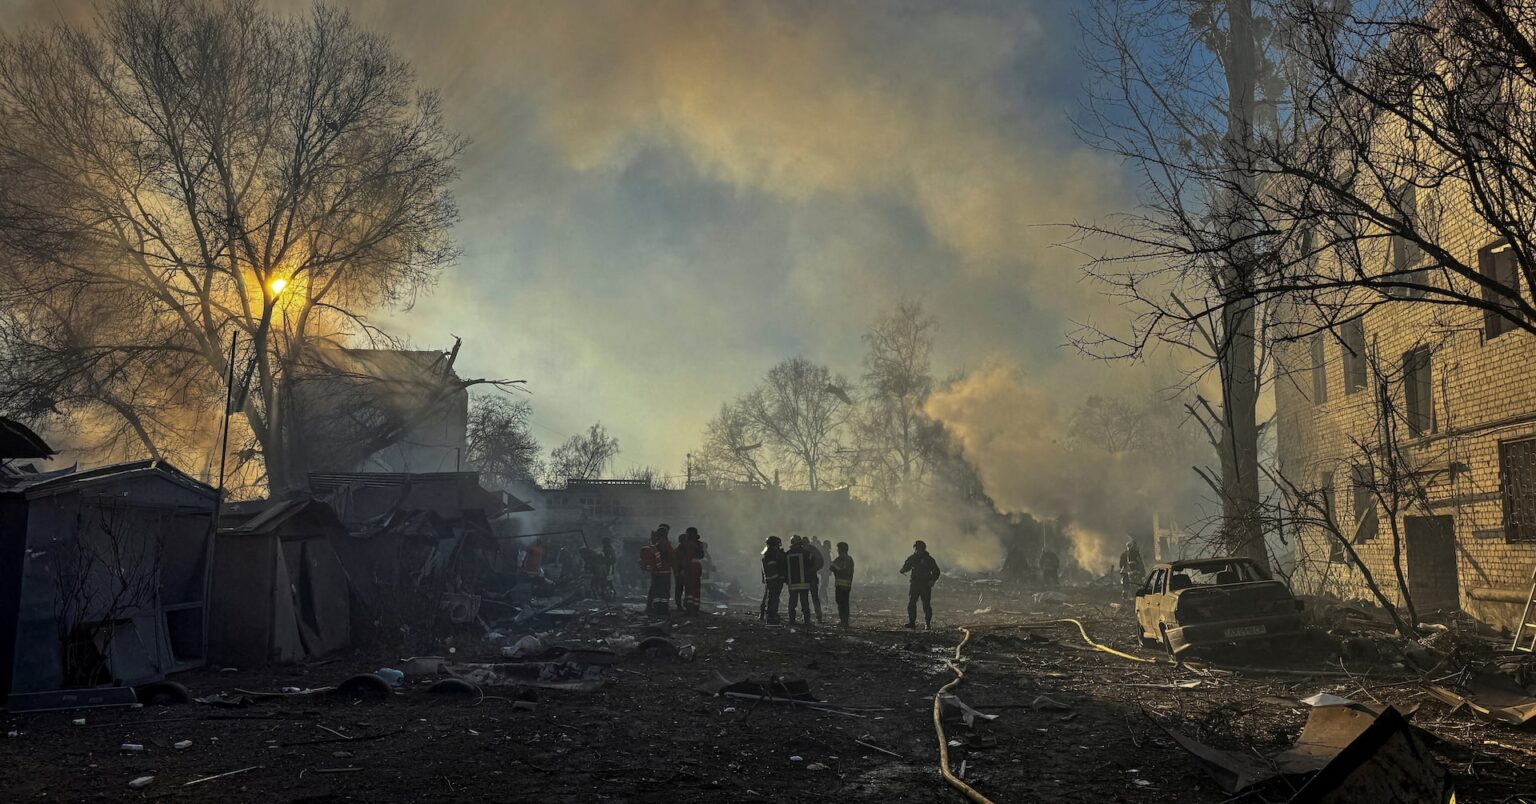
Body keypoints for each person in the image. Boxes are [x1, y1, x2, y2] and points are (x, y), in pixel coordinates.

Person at [899, 540, 941, 630]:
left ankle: (927, 624)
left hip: (925, 585)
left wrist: (932, 580)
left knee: (926, 604)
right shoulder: (913, 558)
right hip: (915, 584)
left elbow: (936, 571)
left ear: (923, 549)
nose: (917, 550)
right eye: (917, 549)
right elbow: (907, 567)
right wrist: (903, 569)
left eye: (919, 549)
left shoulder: (929, 559)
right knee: (912, 603)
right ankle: (912, 623)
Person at [640, 524, 674, 616]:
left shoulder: (655, 543)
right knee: (664, 591)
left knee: (656, 591)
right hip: (665, 572)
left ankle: (655, 608)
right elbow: (670, 557)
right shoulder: (665, 544)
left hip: (655, 572)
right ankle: (663, 609)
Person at [785, 535, 813, 627]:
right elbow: (810, 565)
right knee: (804, 602)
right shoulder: (806, 553)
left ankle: (792, 620)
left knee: (792, 602)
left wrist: (786, 580)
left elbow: (784, 569)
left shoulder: (787, 554)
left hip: (792, 583)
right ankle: (807, 621)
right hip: (804, 583)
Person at [679, 526, 707, 615]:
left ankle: (689, 609)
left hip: (690, 567)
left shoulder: (689, 544)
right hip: (698, 566)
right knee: (696, 587)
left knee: (689, 588)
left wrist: (683, 568)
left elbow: (687, 557)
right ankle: (695, 608)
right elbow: (702, 555)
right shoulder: (699, 544)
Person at [760, 535, 787, 623]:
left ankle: (767, 614)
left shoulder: (766, 555)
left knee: (769, 596)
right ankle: (771, 615)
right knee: (774, 597)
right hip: (775, 579)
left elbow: (764, 568)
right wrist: (781, 576)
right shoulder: (775, 555)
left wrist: (764, 578)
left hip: (769, 579)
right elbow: (780, 566)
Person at [829, 541, 855, 628]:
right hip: (843, 585)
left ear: (842, 550)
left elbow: (843, 570)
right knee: (843, 603)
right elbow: (832, 567)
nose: (837, 551)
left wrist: (835, 567)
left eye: (838, 549)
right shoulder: (846, 559)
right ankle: (844, 621)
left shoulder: (845, 559)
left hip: (842, 585)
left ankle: (844, 621)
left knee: (842, 603)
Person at [803, 535, 825, 624]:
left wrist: (812, 570)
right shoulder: (811, 550)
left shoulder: (812, 550)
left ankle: (817, 617)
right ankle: (809, 618)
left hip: (809, 578)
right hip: (806, 578)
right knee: (808, 598)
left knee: (812, 598)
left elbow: (820, 563)